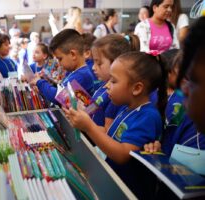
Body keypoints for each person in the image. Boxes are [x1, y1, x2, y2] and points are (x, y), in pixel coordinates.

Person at [64, 51, 167, 198]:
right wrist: (81, 124)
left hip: (129, 191)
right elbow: (110, 133)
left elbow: (122, 154)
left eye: (113, 81)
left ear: (137, 88)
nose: (107, 86)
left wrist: (89, 127)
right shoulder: (126, 108)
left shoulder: (148, 116)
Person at [144, 50, 205, 155]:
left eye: (189, 79)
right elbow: (169, 146)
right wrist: (158, 147)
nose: (183, 90)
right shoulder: (185, 113)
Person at [30, 29, 95, 104]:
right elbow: (67, 98)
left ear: (73, 55)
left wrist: (39, 82)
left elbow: (59, 97)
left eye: (60, 58)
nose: (58, 63)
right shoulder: (75, 73)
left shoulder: (82, 76)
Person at [90, 34, 140, 127]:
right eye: (93, 62)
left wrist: (86, 125)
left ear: (115, 63)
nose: (93, 67)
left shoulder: (116, 95)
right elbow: (92, 109)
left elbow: (107, 132)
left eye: (99, 63)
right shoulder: (103, 85)